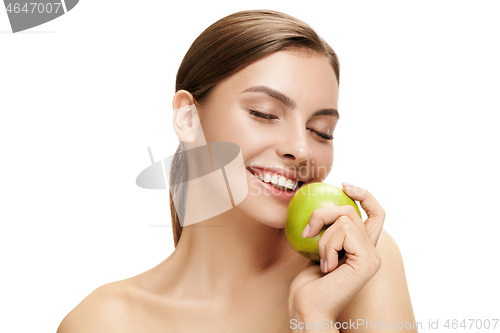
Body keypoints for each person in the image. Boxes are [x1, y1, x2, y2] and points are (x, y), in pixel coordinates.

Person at [57, 9, 416, 332]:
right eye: (263, 113)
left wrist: (313, 320)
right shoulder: (103, 322)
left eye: (321, 130)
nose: (302, 148)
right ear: (188, 118)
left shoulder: (358, 265)